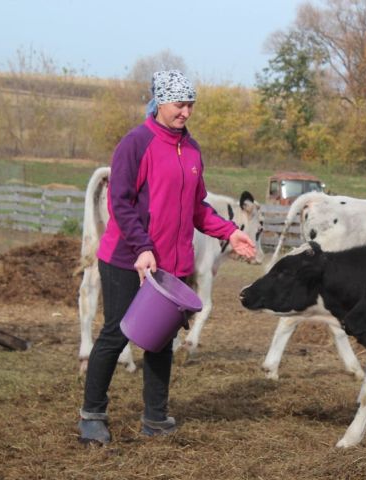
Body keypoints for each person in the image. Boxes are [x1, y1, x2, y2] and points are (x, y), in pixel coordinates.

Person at [78, 70, 256, 444]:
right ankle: (92, 414)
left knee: (160, 339)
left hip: (169, 265)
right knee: (115, 334)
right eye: (179, 104)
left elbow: (198, 208)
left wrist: (230, 231)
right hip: (127, 259)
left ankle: (155, 419)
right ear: (159, 102)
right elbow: (120, 203)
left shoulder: (191, 149)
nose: (186, 112)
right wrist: (142, 247)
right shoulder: (135, 143)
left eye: (191, 104)